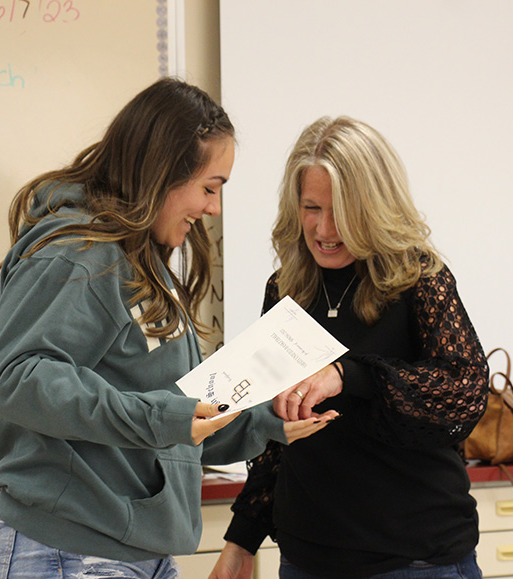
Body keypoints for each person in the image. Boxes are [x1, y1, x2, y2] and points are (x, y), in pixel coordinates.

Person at [0, 78, 336, 579]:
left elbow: (167, 414)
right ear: (162, 171)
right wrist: (161, 417)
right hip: (72, 551)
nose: (213, 208)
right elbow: (13, 378)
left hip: (134, 552)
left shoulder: (140, 260)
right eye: (209, 188)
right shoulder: (78, 255)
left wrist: (268, 422)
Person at [210, 116, 490, 579]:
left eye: (343, 210)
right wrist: (241, 541)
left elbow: (464, 391)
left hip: (416, 559)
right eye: (311, 208)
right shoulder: (286, 290)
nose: (324, 228)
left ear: (376, 206)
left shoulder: (419, 278)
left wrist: (347, 376)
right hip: (306, 559)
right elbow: (277, 436)